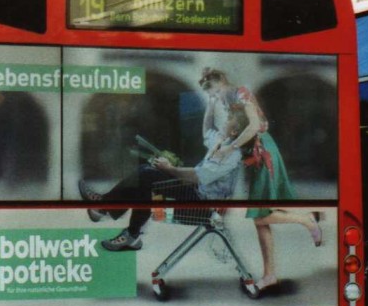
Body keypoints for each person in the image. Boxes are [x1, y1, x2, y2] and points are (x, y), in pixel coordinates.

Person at [199, 67, 320, 292]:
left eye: (214, 92)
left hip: (263, 152)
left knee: (260, 216)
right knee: (260, 219)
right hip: (253, 156)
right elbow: (230, 127)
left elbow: (254, 126)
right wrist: (220, 143)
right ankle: (270, 275)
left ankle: (306, 219)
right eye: (210, 95)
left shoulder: (241, 93)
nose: (213, 97)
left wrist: (229, 148)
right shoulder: (227, 99)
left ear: (221, 82)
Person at [79, 93, 249, 252]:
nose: (224, 120)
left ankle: (106, 209)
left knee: (146, 175)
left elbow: (198, 176)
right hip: (198, 193)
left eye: (229, 119)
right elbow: (207, 131)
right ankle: (125, 229)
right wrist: (211, 105)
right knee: (146, 176)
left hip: (202, 204)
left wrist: (169, 169)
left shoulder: (230, 155)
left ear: (234, 131)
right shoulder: (225, 143)